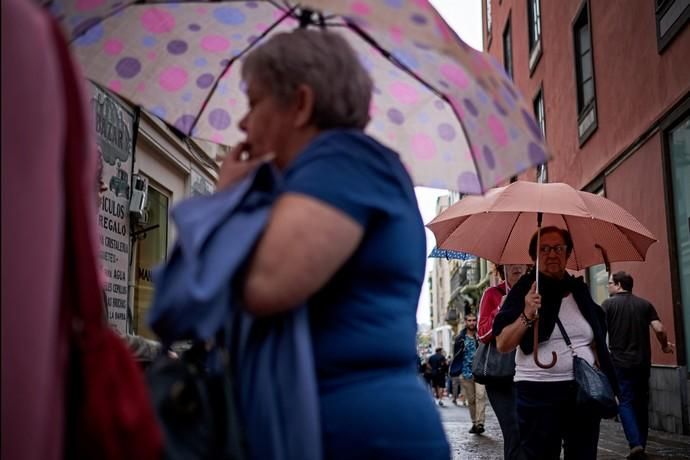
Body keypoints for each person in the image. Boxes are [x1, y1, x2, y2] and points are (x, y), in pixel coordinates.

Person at [216, 29, 449, 459]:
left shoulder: (344, 160)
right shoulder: (323, 176)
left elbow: (264, 284)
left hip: (358, 434)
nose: (242, 125)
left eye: (254, 103)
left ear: (300, 104)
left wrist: (227, 200)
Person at [492, 227, 619, 460]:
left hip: (582, 391)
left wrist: (604, 374)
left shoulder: (578, 290)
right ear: (534, 256)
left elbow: (596, 336)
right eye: (544, 249)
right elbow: (502, 343)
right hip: (537, 392)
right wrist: (527, 314)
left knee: (583, 455)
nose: (552, 254)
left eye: (558, 248)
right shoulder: (524, 291)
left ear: (568, 253)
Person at [602, 271, 675, 459]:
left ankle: (635, 444)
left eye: (610, 283)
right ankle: (641, 443)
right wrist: (665, 345)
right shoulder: (644, 304)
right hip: (642, 362)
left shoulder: (608, 305)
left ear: (618, 285)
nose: (608, 286)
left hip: (619, 363)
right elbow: (659, 328)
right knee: (641, 403)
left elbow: (598, 334)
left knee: (625, 401)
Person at [477, 264, 528, 459]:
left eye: (520, 261)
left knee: (531, 430)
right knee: (513, 430)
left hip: (530, 372)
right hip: (501, 376)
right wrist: (500, 308)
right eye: (510, 262)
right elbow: (482, 334)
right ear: (501, 268)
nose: (517, 266)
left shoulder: (535, 290)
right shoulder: (493, 294)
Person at [451, 313, 486, 434]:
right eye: (469, 320)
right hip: (466, 372)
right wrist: (458, 371)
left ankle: (480, 423)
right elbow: (456, 356)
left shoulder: (480, 335)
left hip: (480, 372)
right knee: (471, 400)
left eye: (474, 320)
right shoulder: (460, 338)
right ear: (465, 322)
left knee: (481, 396)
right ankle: (474, 423)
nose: (472, 323)